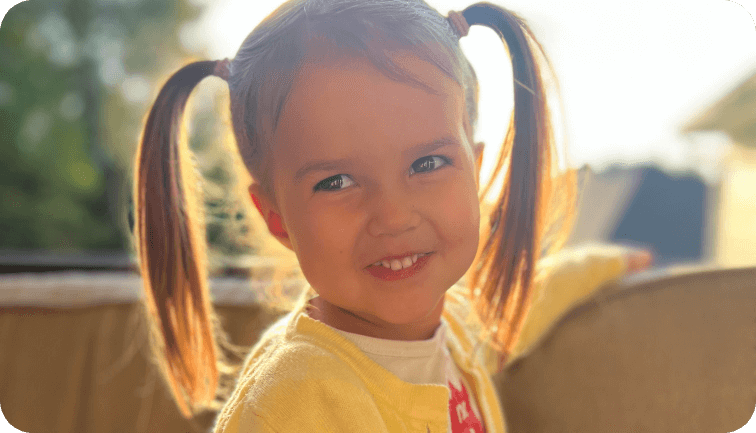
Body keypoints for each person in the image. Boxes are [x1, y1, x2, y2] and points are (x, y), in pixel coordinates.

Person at [132, 1, 653, 431]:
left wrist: (610, 263)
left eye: (427, 163)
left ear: (473, 169)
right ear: (277, 217)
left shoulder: (453, 332)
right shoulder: (294, 404)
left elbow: (527, 299)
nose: (394, 214)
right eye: (335, 181)